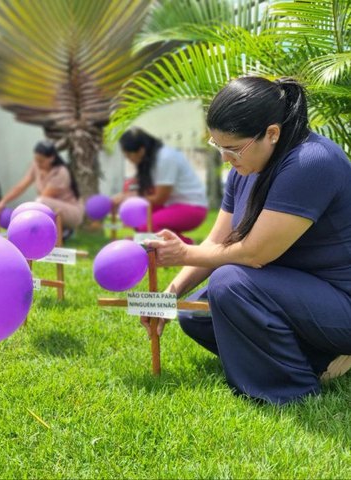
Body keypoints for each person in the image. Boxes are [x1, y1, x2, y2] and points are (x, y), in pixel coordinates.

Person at [144, 76, 351, 404]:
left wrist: (184, 253)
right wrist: (169, 296)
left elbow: (255, 253)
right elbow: (217, 244)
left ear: (272, 134)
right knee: (196, 312)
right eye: (218, 146)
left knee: (229, 284)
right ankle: (321, 358)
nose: (225, 157)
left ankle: (291, 391)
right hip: (295, 293)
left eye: (232, 147)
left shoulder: (311, 162)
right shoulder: (245, 169)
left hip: (340, 302)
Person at [113, 128, 208, 243]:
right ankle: (143, 242)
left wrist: (131, 198)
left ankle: (188, 247)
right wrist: (127, 197)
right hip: (172, 204)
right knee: (138, 215)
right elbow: (149, 193)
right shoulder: (151, 160)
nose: (128, 159)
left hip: (192, 208)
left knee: (146, 227)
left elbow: (159, 198)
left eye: (128, 155)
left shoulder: (165, 158)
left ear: (141, 151)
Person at [0, 140, 84, 238]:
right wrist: (3, 202)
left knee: (41, 202)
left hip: (72, 213)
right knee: (40, 203)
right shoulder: (36, 165)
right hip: (52, 208)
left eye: (41, 161)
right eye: (36, 159)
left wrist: (19, 217)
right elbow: (21, 186)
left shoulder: (60, 172)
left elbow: (44, 198)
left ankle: (64, 230)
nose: (38, 163)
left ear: (51, 158)